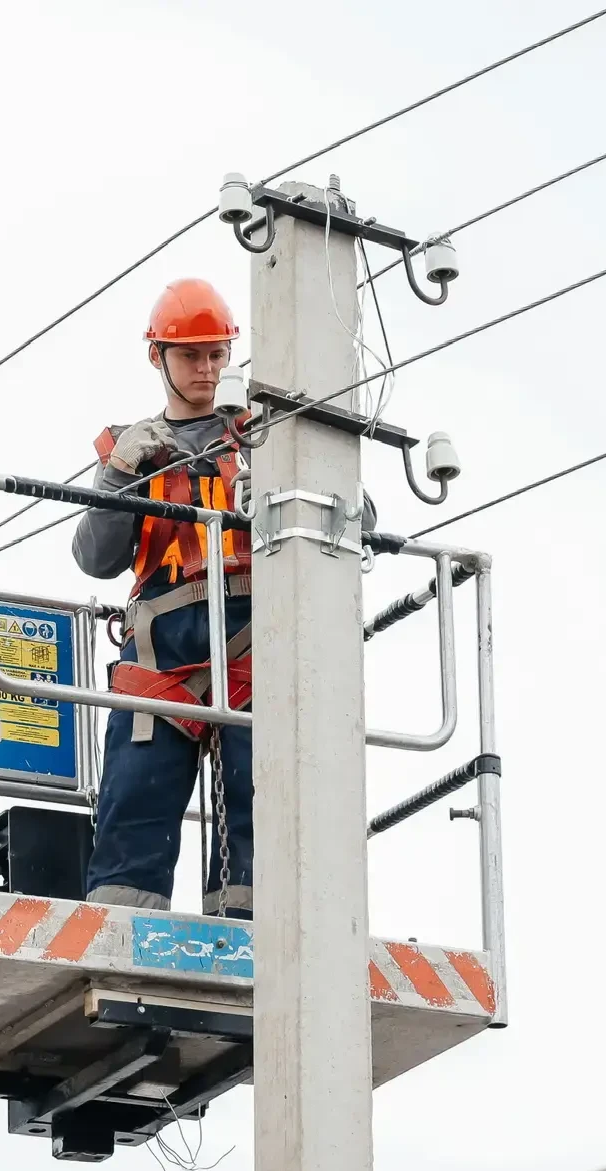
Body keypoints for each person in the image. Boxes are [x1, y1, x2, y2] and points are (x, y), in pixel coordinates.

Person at [71, 278, 373, 919]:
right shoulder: (133, 452)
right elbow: (95, 558)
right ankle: (124, 935)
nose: (207, 369)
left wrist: (297, 470)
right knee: (136, 793)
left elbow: (358, 514)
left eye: (217, 354)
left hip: (256, 638)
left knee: (259, 791)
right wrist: (120, 476)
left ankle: (251, 937)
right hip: (163, 645)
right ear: (159, 358)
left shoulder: (271, 434)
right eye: (191, 356)